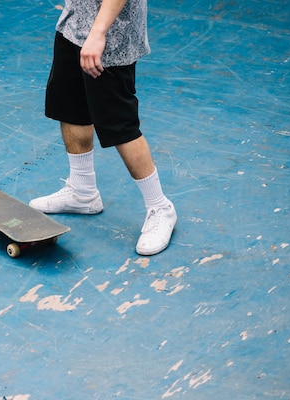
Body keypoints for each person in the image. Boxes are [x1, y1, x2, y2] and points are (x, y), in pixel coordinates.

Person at [29, 0, 176, 256]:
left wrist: (98, 34)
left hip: (109, 36)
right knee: (72, 109)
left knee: (120, 126)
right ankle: (82, 191)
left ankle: (160, 207)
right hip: (74, 24)